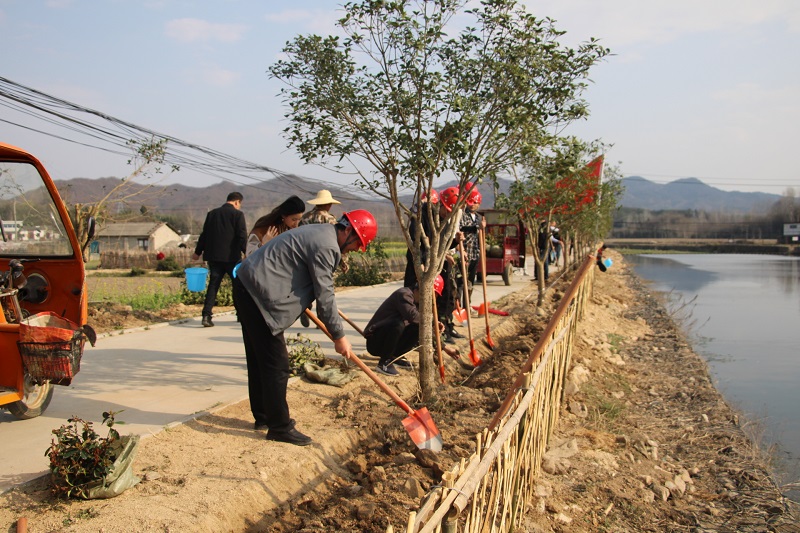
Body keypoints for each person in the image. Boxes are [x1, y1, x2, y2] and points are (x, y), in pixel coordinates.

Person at [233, 209, 378, 446]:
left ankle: (264, 417)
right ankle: (279, 427)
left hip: (247, 284)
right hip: (258, 294)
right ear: (349, 231)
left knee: (259, 359)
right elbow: (326, 296)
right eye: (357, 243)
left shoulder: (322, 233)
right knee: (277, 365)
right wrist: (339, 336)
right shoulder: (328, 246)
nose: (354, 249)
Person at [364, 274, 460, 376]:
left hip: (389, 341)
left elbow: (423, 326)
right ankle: (384, 363)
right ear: (424, 289)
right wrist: (432, 322)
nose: (433, 298)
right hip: (375, 342)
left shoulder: (418, 303)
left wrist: (443, 347)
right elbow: (413, 316)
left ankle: (395, 357)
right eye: (433, 294)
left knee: (417, 327)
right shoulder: (403, 295)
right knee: (398, 324)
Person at [192, 192, 247, 327]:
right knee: (238, 286)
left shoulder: (212, 214)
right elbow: (241, 235)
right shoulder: (237, 215)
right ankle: (241, 315)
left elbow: (204, 235)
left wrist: (197, 252)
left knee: (213, 285)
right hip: (232, 258)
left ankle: (206, 316)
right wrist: (247, 252)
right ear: (237, 202)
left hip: (214, 257)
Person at [298, 189, 341, 327]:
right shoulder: (330, 219)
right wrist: (342, 261)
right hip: (323, 258)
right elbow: (336, 241)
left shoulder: (305, 218)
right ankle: (321, 318)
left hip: (304, 257)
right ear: (328, 204)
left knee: (306, 285)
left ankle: (306, 308)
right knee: (323, 287)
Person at [457, 184, 485, 310]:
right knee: (460, 282)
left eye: (475, 203)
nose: (472, 205)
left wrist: (481, 227)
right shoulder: (463, 214)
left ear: (478, 203)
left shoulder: (479, 217)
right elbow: (461, 228)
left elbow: (481, 234)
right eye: (471, 202)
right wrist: (476, 227)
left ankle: (467, 305)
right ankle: (458, 306)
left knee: (470, 282)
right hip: (465, 253)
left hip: (475, 253)